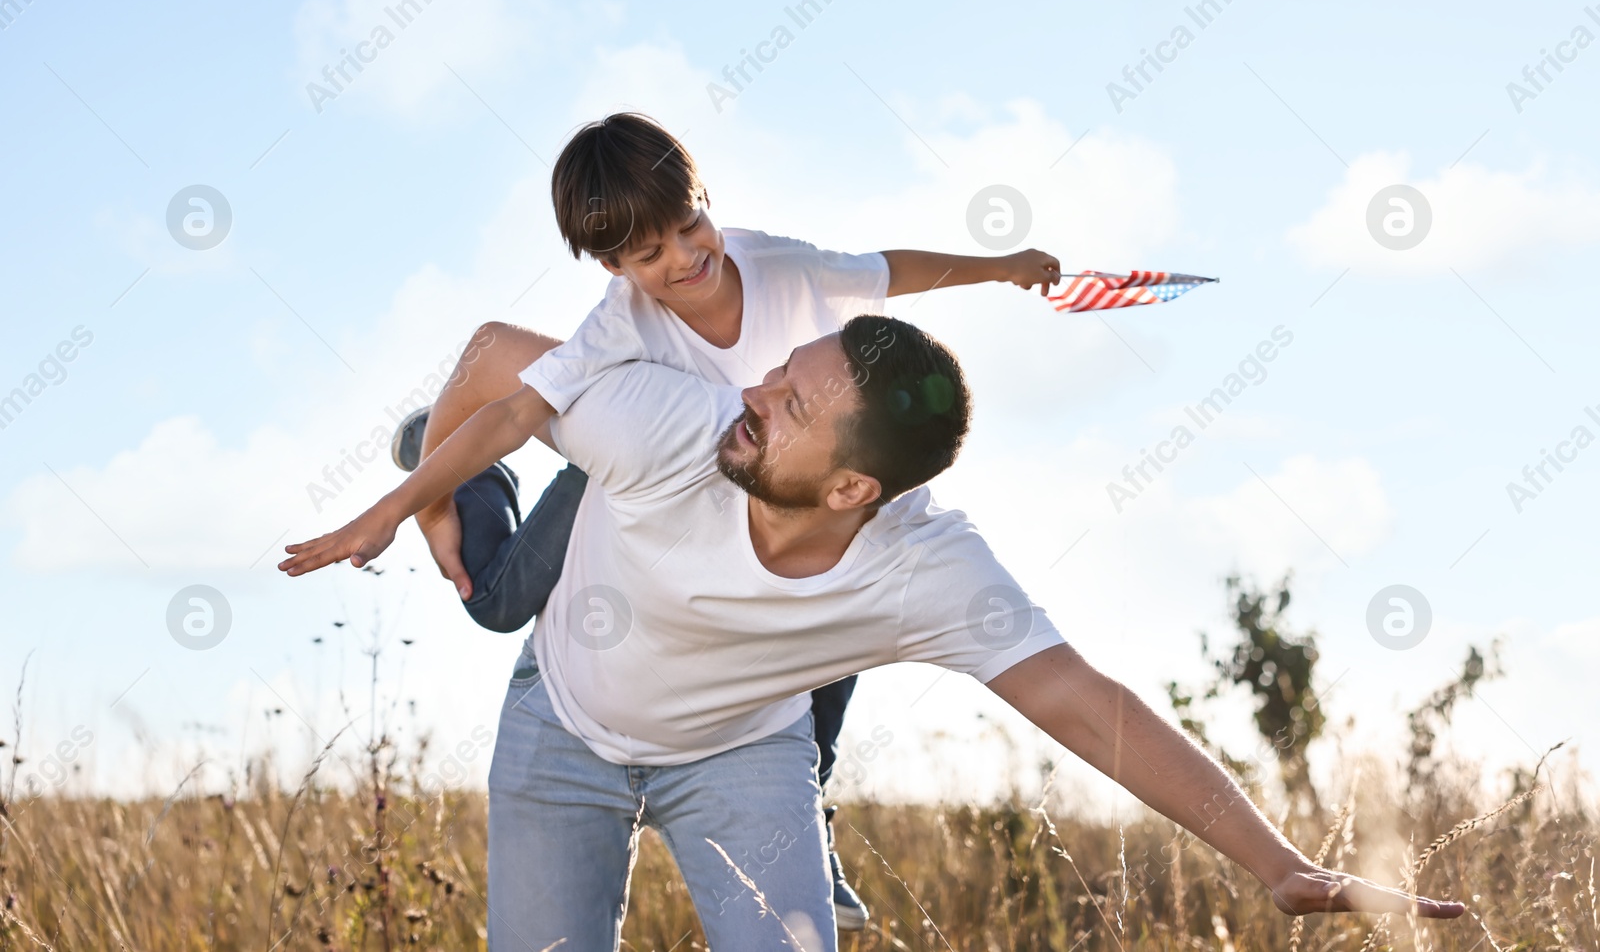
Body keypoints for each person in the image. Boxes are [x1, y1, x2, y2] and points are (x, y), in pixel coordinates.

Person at [280, 315, 1467, 951]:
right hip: (567, 721)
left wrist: (1279, 863)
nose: (749, 396)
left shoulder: (927, 568)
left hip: (741, 755)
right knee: (494, 573)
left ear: (856, 488)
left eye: (789, 404)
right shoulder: (672, 416)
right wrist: (425, 492)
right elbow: (494, 353)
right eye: (776, 375)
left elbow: (1084, 704)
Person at [395, 111, 1063, 927]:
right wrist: (428, 491)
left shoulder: (778, 265)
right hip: (628, 486)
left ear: (705, 197)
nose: (685, 257)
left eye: (690, 225)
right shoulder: (620, 325)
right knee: (498, 603)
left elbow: (890, 269)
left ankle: (811, 810)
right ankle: (472, 478)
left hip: (766, 493)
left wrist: (1001, 267)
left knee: (829, 598)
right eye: (650, 254)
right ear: (615, 266)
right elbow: (515, 392)